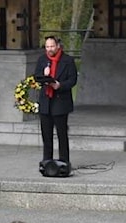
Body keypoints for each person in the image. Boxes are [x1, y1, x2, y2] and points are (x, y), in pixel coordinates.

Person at [34, 35, 78, 166]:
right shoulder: (42, 60)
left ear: (58, 46)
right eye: (47, 47)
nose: (49, 49)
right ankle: (47, 160)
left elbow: (72, 80)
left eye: (52, 46)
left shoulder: (68, 60)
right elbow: (36, 77)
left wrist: (60, 85)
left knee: (61, 133)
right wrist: (44, 75)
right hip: (46, 101)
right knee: (46, 134)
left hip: (60, 101)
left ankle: (64, 160)